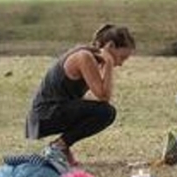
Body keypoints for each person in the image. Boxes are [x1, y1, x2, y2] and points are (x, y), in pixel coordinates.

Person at [25, 24, 135, 166]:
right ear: (110, 46)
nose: (120, 64)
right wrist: (108, 63)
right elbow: (104, 96)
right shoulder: (84, 57)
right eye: (122, 57)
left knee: (100, 109)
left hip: (47, 114)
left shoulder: (89, 55)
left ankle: (62, 147)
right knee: (106, 112)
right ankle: (58, 146)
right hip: (43, 116)